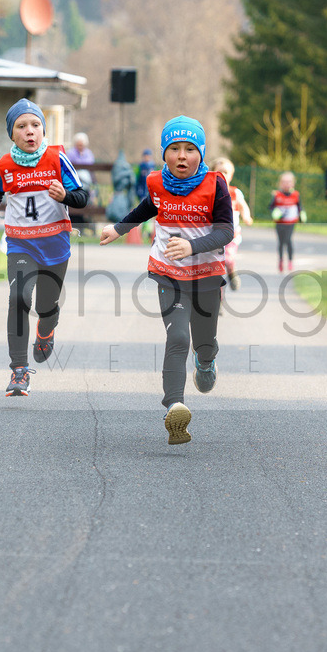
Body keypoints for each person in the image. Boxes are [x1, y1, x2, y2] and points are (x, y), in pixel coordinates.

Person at [99, 116, 234, 445]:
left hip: (206, 274)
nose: (182, 155)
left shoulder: (216, 185)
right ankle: (175, 406)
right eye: (174, 149)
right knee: (177, 337)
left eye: (190, 149)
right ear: (165, 153)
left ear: (201, 153)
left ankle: (206, 361)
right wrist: (118, 228)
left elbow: (226, 231)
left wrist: (192, 246)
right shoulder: (156, 182)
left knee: (204, 341)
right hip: (168, 272)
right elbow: (148, 207)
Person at [0, 98, 88, 396]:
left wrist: (64, 195)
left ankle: (46, 330)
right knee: (19, 298)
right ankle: (19, 370)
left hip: (55, 245)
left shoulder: (56, 159)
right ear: (12, 134)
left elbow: (82, 197)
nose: (30, 131)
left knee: (45, 306)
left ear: (43, 130)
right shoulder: (4, 164)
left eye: (35, 125)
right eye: (22, 126)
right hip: (20, 244)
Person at [212, 157, 253, 289]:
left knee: (228, 260)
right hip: (213, 237)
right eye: (219, 172)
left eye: (226, 172)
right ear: (212, 173)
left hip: (231, 236)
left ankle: (231, 272)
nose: (223, 175)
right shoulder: (208, 192)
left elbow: (243, 206)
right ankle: (219, 303)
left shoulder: (235, 193)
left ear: (231, 175)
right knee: (216, 270)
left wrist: (247, 217)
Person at [270, 171, 302, 273]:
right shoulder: (277, 195)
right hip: (280, 222)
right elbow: (271, 206)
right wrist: (275, 212)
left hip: (291, 222)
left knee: (288, 240)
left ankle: (290, 261)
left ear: (293, 183)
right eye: (284, 182)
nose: (286, 184)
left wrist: (302, 215)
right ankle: (280, 260)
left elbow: (299, 206)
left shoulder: (296, 195)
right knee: (281, 242)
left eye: (289, 182)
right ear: (280, 183)